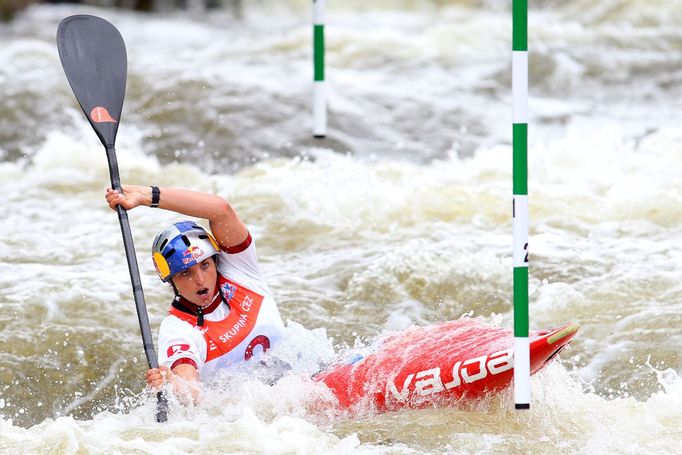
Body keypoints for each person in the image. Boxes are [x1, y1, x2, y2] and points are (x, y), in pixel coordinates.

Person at [105, 185, 285, 403]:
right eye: (186, 273)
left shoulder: (240, 270)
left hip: (304, 381)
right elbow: (192, 392)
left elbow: (220, 209)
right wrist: (173, 383)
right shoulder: (177, 329)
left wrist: (146, 196)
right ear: (172, 280)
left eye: (205, 266)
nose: (199, 279)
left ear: (215, 261)